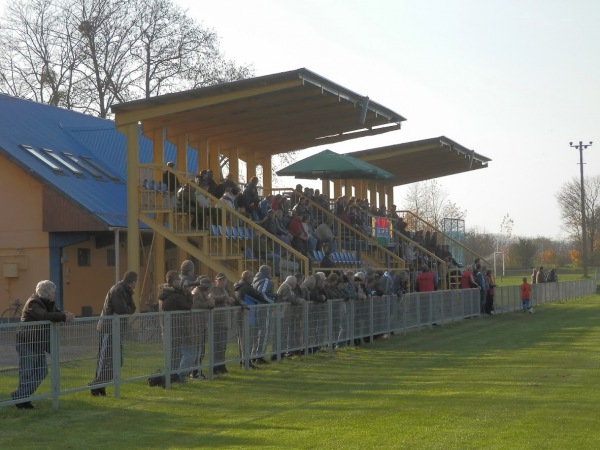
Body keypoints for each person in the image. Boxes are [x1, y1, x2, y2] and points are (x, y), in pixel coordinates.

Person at [12, 280, 75, 409]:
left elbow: (55, 312)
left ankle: (21, 396)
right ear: (46, 293)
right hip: (27, 343)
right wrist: (63, 317)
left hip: (37, 343)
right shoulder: (33, 303)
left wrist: (65, 314)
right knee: (27, 372)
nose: (55, 294)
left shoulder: (48, 303)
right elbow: (43, 316)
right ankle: (22, 401)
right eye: (53, 292)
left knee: (41, 371)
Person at [90, 271, 137, 396]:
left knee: (116, 361)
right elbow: (123, 310)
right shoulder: (118, 290)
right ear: (132, 281)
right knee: (104, 359)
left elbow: (132, 308)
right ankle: (97, 386)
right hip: (108, 329)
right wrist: (126, 310)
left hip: (117, 330)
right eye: (136, 281)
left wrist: (127, 310)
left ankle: (99, 384)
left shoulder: (126, 290)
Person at [158, 270, 194, 383]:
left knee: (174, 352)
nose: (180, 281)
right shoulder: (175, 295)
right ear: (173, 281)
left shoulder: (166, 293)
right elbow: (188, 306)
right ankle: (173, 375)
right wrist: (188, 293)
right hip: (175, 326)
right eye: (178, 279)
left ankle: (173, 375)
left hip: (170, 326)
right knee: (175, 352)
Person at [233, 270, 265, 368]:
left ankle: (243, 362)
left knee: (241, 339)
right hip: (246, 314)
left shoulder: (238, 286)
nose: (253, 279)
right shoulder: (246, 287)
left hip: (239, 314)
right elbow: (258, 296)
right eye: (252, 277)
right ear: (248, 278)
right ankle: (246, 363)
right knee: (247, 339)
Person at [208, 273, 236, 374]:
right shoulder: (213, 289)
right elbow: (213, 298)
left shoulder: (228, 290)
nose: (222, 282)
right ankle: (215, 366)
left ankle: (221, 365)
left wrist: (241, 304)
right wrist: (225, 298)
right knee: (217, 345)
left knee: (223, 345)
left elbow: (235, 298)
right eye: (220, 280)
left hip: (225, 322)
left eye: (224, 280)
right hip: (217, 321)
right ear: (216, 280)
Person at [190, 277, 214, 380]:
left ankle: (197, 371)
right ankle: (195, 372)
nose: (209, 291)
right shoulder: (196, 293)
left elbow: (211, 304)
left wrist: (209, 302)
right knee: (197, 350)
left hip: (201, 324)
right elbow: (196, 306)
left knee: (201, 349)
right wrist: (207, 302)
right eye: (208, 288)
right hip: (196, 325)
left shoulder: (203, 294)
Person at [252, 265, 277, 362]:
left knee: (257, 333)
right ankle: (260, 356)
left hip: (255, 309)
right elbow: (262, 294)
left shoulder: (254, 280)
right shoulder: (266, 281)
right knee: (264, 332)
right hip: (263, 309)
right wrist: (273, 300)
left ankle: (254, 355)